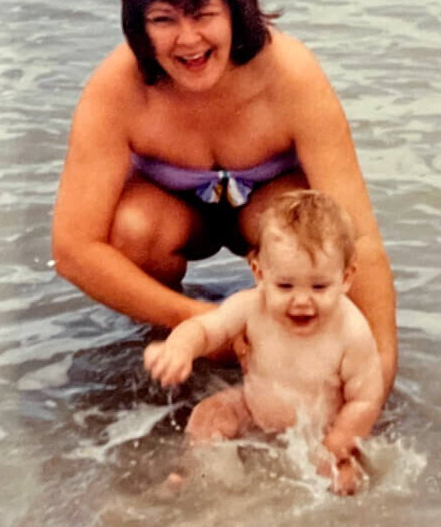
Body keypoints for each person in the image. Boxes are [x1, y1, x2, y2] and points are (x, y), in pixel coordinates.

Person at [49, 0, 398, 393]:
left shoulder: (290, 75)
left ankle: (297, 335)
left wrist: (378, 376)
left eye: (203, 15)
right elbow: (73, 250)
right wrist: (199, 321)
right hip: (170, 221)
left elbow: (360, 242)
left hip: (265, 212)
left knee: (317, 232)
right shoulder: (118, 88)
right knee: (132, 229)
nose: (188, 40)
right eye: (163, 20)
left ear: (235, 9)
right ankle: (165, 338)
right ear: (140, 28)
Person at [142, 190, 383, 495]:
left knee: (345, 480)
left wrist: (336, 443)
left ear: (347, 278)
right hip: (254, 409)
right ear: (259, 273)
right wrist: (181, 348)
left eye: (320, 286)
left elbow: (365, 399)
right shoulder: (250, 306)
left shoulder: (351, 331)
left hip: (320, 430)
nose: (301, 301)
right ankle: (195, 477)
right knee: (208, 414)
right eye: (284, 285)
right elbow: (207, 329)